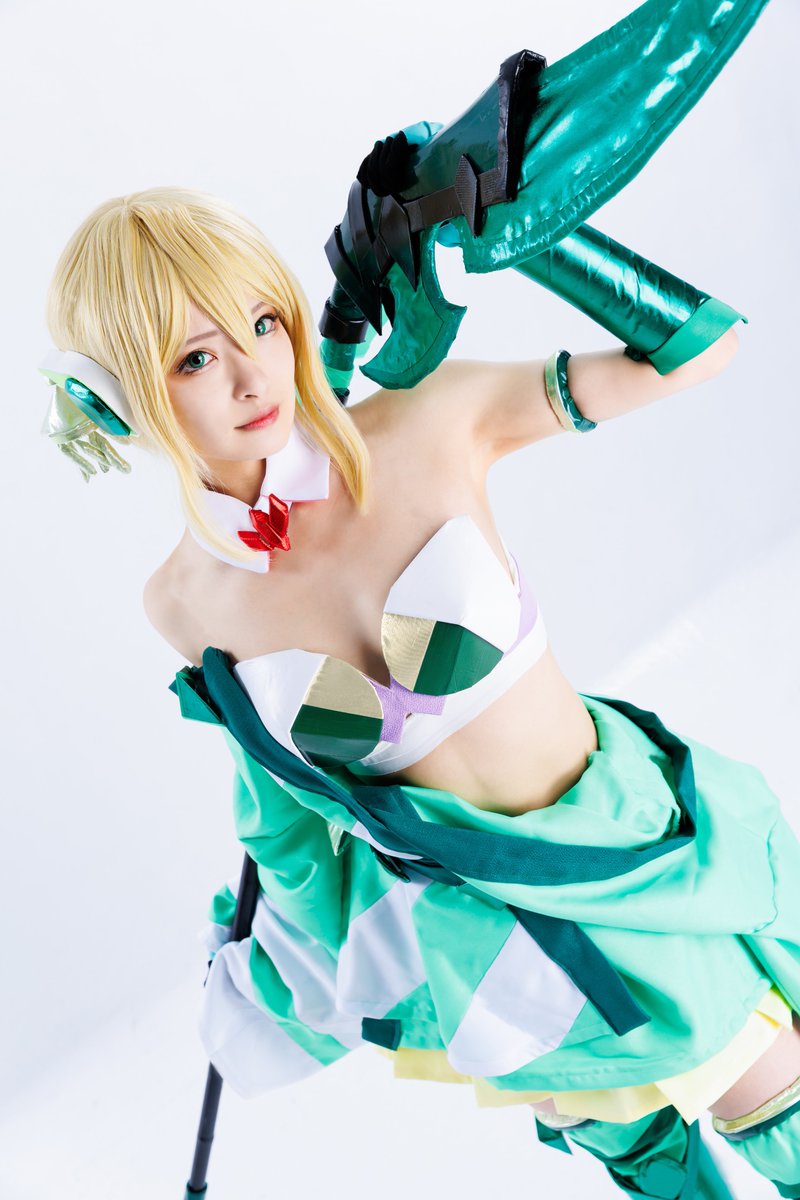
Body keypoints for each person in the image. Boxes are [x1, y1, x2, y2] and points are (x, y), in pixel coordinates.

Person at [38, 182, 800, 1197]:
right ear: (116, 401)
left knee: (779, 1110)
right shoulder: (181, 601)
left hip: (631, 860)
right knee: (648, 1165)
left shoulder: (429, 420)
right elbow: (282, 809)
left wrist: (523, 227)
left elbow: (699, 349)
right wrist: (287, 960)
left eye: (261, 322)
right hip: (491, 940)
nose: (254, 374)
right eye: (193, 359)